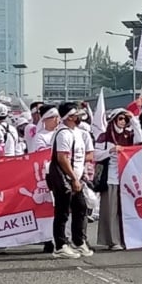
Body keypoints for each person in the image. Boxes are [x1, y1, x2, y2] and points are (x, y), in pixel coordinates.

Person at [48, 103, 92, 259]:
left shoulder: (77, 132)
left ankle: (78, 242)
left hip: (76, 178)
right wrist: (73, 178)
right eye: (77, 114)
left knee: (81, 209)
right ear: (71, 116)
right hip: (65, 179)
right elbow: (62, 158)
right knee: (63, 212)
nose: (80, 117)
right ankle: (60, 245)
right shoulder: (64, 133)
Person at [94, 108, 142, 250]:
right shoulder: (104, 137)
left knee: (125, 211)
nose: (123, 122)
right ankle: (112, 240)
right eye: (120, 119)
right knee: (110, 211)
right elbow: (95, 155)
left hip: (126, 179)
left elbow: (139, 140)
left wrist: (133, 119)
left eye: (125, 119)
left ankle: (126, 239)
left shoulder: (128, 135)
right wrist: (110, 151)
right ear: (114, 120)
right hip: (110, 178)